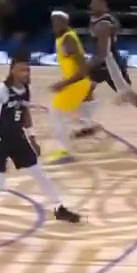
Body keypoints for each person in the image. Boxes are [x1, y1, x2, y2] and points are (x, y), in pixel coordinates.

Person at [0, 54, 82, 238]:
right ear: (12, 70)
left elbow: (25, 114)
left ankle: (59, 208)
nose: (25, 73)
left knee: (39, 172)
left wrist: (32, 138)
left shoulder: (27, 90)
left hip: (18, 137)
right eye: (22, 70)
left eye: (28, 70)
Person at [49, 0, 137, 139]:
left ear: (103, 4)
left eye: (95, 3)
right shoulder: (97, 19)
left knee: (128, 95)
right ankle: (87, 125)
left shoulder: (104, 24)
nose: (91, 5)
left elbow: (102, 54)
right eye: (91, 2)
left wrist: (83, 68)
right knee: (85, 88)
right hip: (101, 63)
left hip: (111, 65)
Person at [45, 11, 95, 164]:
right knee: (68, 113)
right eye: (53, 22)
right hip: (77, 83)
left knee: (56, 113)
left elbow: (83, 70)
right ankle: (87, 124)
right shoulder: (63, 38)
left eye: (57, 22)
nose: (54, 25)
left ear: (65, 22)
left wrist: (63, 84)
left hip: (76, 84)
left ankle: (65, 151)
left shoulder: (68, 40)